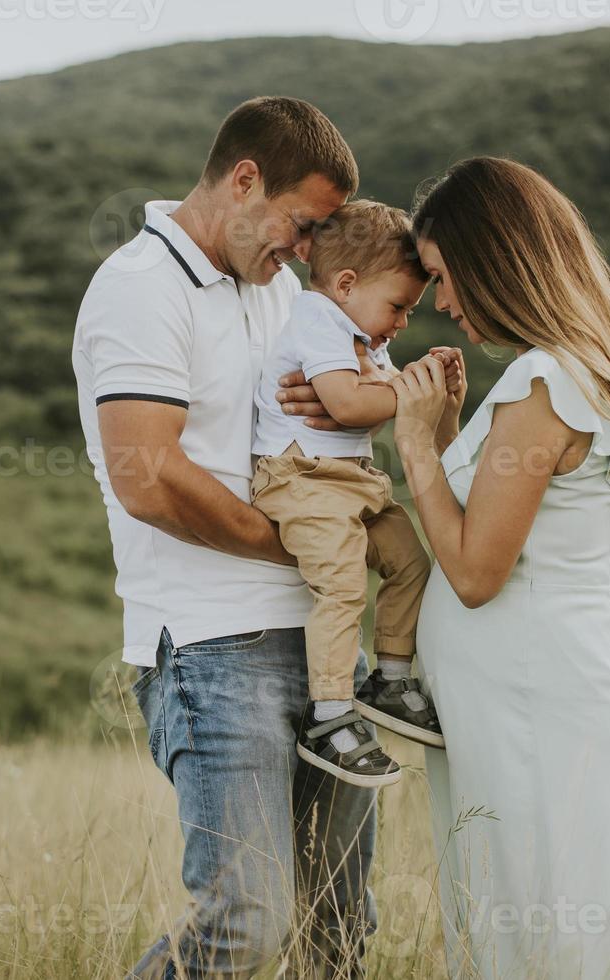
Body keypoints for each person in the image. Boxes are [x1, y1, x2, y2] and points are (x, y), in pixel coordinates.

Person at [389, 156, 610, 977]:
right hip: (539, 708)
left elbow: (475, 574)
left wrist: (412, 448)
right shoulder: (560, 374)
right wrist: (446, 436)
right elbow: (485, 537)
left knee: (563, 937)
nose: (440, 302)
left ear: (492, 259)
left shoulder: (545, 382)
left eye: (443, 277)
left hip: (549, 719)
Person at [72, 96, 379, 977]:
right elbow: (147, 477)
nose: (308, 248)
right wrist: (300, 547)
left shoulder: (286, 292)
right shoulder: (139, 287)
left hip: (326, 646)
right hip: (214, 648)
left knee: (338, 931)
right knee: (247, 923)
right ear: (245, 180)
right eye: (301, 222)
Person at [250, 199, 446, 788]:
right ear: (345, 283)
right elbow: (351, 405)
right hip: (300, 479)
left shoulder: (358, 328)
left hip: (351, 483)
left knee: (410, 560)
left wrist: (403, 385)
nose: (403, 323)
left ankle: (388, 677)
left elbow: (369, 401)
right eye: (398, 307)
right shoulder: (318, 318)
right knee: (340, 584)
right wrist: (417, 393)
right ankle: (328, 715)